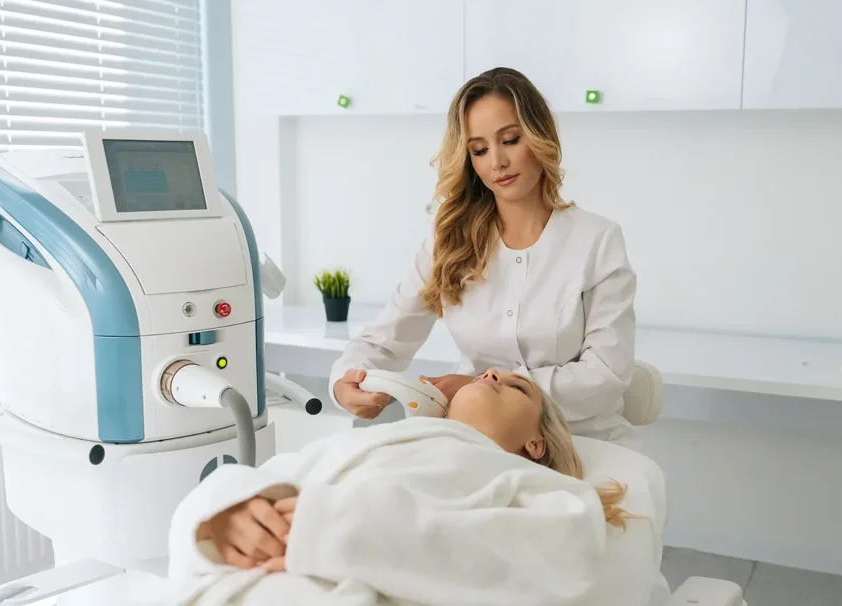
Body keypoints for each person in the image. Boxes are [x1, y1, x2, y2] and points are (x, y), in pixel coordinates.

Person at [330, 67, 639, 447]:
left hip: (580, 443)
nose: (497, 162)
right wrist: (345, 381)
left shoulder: (597, 240)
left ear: (540, 136)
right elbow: (384, 341)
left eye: (510, 140)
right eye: (479, 150)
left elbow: (605, 377)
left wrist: (473, 388)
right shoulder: (449, 242)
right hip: (477, 443)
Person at [195, 370, 633, 573]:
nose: (491, 372)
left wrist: (327, 530)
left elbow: (559, 553)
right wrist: (223, 519)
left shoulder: (527, 485)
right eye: (487, 374)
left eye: (518, 386)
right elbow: (240, 484)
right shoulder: (359, 442)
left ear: (535, 444)